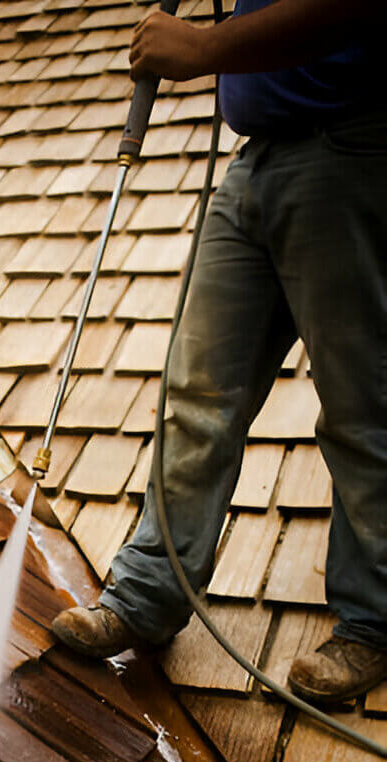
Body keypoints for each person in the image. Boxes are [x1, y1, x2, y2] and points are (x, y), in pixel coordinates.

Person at [52, 0, 387, 705]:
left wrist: (204, 47)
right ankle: (147, 595)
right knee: (197, 391)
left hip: (351, 147)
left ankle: (375, 625)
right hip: (258, 158)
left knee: (362, 404)